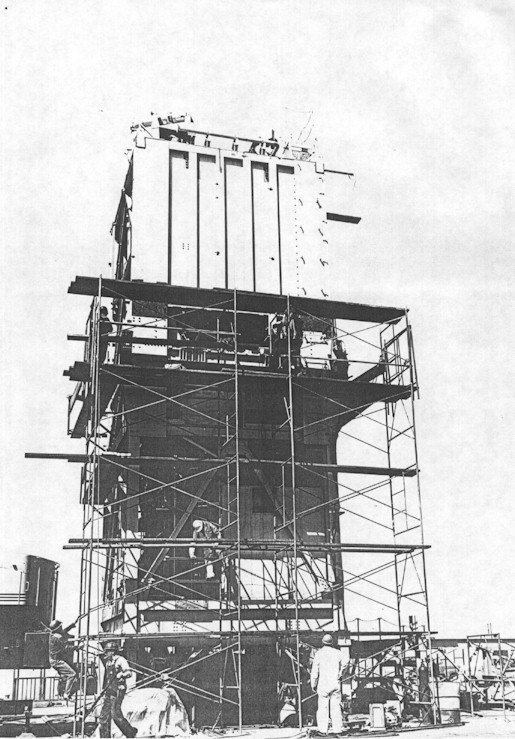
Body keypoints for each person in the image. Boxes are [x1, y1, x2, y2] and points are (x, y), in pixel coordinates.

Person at [99, 641, 137, 738]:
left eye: (107, 651)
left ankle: (131, 732)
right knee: (103, 717)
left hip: (118, 690)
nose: (105, 653)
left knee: (116, 715)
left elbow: (129, 673)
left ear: (112, 652)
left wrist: (122, 674)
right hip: (109, 690)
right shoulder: (108, 662)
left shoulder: (121, 660)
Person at [310, 633, 345, 735]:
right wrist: (340, 673)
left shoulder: (319, 654)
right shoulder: (338, 653)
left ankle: (323, 730)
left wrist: (313, 684)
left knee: (323, 708)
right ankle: (337, 730)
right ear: (332, 642)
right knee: (336, 707)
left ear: (322, 642)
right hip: (335, 683)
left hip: (323, 684)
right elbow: (346, 662)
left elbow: (314, 671)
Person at [48, 619, 78, 700]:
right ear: (58, 628)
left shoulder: (52, 635)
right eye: (60, 626)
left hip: (53, 660)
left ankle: (65, 692)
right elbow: (66, 647)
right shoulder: (58, 637)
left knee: (67, 675)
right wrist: (77, 647)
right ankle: (66, 694)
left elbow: (63, 631)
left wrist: (71, 626)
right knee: (72, 674)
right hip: (57, 661)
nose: (62, 627)